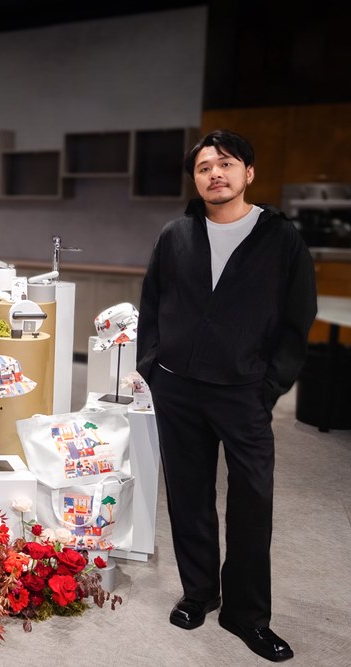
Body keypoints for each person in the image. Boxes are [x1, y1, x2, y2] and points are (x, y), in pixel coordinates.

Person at [137, 130, 316, 662]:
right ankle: (199, 594)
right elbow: (152, 301)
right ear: (195, 180)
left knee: (252, 502)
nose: (215, 173)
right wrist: (152, 367)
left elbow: (298, 316)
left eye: (227, 163)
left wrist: (270, 386)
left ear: (248, 173)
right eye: (204, 167)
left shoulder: (280, 238)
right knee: (188, 496)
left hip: (243, 392)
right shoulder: (176, 235)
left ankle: (246, 615)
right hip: (178, 387)